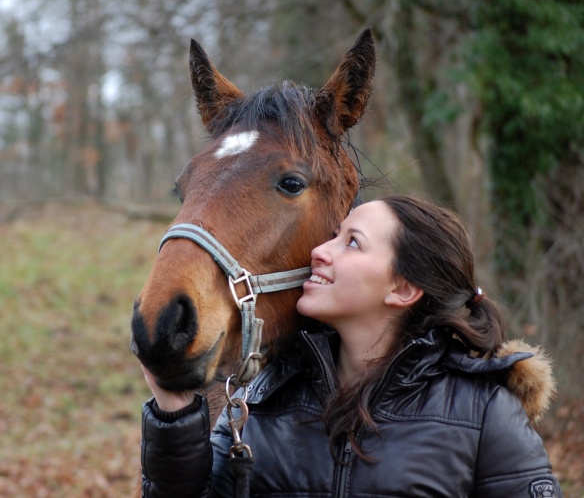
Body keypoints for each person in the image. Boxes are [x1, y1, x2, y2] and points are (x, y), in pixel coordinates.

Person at [139, 195, 561, 497]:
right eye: (334, 235)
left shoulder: (483, 412)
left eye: (351, 242)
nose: (319, 251)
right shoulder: (261, 400)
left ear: (403, 288)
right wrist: (173, 411)